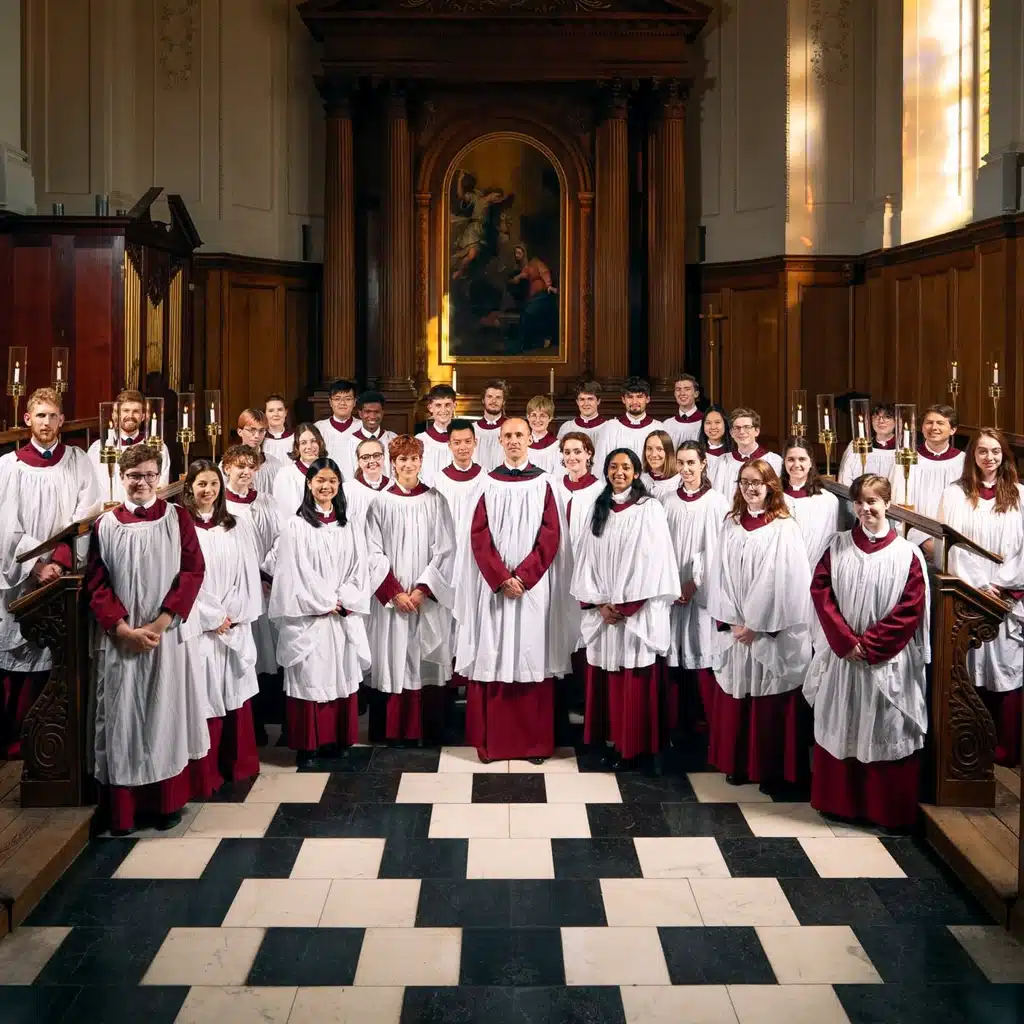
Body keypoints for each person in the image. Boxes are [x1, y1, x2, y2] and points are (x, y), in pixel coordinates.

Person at [85, 444, 207, 834]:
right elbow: (96, 582)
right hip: (122, 640)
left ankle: (165, 804)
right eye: (134, 476)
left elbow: (192, 571)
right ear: (121, 478)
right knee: (122, 720)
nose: (142, 482)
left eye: (149, 475)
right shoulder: (106, 525)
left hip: (164, 636)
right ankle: (124, 811)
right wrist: (121, 628)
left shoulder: (177, 518)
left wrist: (160, 624)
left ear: (159, 477)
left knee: (163, 715)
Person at [805, 474, 930, 829]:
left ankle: (883, 809)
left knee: (883, 726)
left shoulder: (907, 554)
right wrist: (845, 642)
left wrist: (871, 645)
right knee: (842, 721)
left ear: (888, 504)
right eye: (859, 502)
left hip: (885, 662)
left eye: (873, 501)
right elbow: (821, 592)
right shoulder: (838, 545)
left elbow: (911, 608)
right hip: (844, 658)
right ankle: (839, 803)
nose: (866, 509)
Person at [454, 417, 571, 762]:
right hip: (495, 591)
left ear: (530, 439)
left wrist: (524, 577)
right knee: (496, 654)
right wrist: (501, 578)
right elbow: (478, 536)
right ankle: (493, 743)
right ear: (499, 442)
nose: (514, 440)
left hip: (533, 590)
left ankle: (534, 744)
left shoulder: (546, 483)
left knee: (531, 656)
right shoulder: (485, 484)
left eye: (520, 435)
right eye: (508, 436)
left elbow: (551, 536)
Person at [0, 388, 102, 758]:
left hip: (65, 577)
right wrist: (38, 565)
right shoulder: (8, 467)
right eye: (39, 415)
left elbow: (86, 513)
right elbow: (5, 526)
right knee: (19, 655)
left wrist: (60, 559)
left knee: (60, 658)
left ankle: (58, 741)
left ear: (62, 420)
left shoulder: (77, 461)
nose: (46, 422)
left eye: (52, 415)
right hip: (24, 577)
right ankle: (17, 742)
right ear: (27, 420)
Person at [704, 459, 813, 791]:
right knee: (738, 690)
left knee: (769, 695)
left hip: (768, 633)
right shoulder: (731, 524)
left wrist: (759, 626)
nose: (750, 488)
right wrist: (733, 621)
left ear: (771, 486)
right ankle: (737, 762)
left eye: (757, 482)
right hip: (736, 628)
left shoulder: (784, 527)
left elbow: (788, 583)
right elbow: (718, 575)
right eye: (744, 481)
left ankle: (769, 769)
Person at [571, 449, 679, 769]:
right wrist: (599, 604)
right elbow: (586, 560)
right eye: (613, 466)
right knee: (607, 679)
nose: (619, 472)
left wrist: (627, 606)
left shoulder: (650, 509)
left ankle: (635, 746)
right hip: (605, 613)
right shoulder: (599, 507)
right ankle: (611, 741)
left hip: (635, 613)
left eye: (626, 467)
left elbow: (656, 562)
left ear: (636, 473)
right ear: (606, 471)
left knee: (633, 678)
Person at [267, 458, 371, 769]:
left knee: (340, 674)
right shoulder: (294, 527)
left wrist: (344, 599)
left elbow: (360, 569)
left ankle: (338, 739)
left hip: (341, 616)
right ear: (309, 484)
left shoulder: (349, 526)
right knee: (310, 677)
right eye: (320, 481)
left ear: (339, 486)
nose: (325, 487)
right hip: (310, 617)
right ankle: (308, 745)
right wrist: (325, 601)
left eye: (332, 482)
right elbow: (293, 573)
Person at [939, 430, 1024, 765]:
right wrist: (977, 588)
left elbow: (1022, 549)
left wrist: (1001, 586)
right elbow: (952, 545)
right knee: (971, 670)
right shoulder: (955, 495)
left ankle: (1006, 747)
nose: (989, 458)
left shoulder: (1019, 495)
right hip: (970, 598)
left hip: (1007, 598)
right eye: (983, 452)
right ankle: (973, 745)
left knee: (1006, 667)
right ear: (972, 455)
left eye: (996, 452)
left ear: (1004, 456)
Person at [365, 435, 456, 744]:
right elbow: (371, 552)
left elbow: (446, 550)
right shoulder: (380, 503)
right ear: (394, 463)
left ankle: (426, 730)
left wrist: (422, 590)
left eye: (413, 458)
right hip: (394, 602)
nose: (408, 464)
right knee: (393, 658)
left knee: (423, 659)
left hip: (424, 599)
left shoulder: (436, 500)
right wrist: (394, 592)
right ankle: (392, 731)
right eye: (402, 459)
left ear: (421, 461)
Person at [180, 460, 262, 793]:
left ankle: (237, 765)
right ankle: (206, 774)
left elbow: (248, 574)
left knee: (233, 690)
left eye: (213, 483)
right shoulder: (181, 528)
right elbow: (182, 580)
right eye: (201, 484)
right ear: (189, 489)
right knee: (205, 696)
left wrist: (235, 614)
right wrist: (213, 617)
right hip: (201, 626)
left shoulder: (237, 525)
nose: (208, 490)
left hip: (234, 622)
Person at [662, 441, 730, 739]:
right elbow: (659, 546)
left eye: (692, 463)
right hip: (671, 589)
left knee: (701, 652)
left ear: (704, 464)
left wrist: (694, 582)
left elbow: (718, 550)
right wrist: (670, 583)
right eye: (681, 463)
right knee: (673, 656)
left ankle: (706, 725)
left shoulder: (717, 502)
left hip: (701, 592)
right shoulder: (667, 501)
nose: (686, 469)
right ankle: (675, 723)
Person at [222, 444, 281, 744]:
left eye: (251, 466)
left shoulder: (267, 502)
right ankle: (246, 726)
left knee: (265, 653)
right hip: (234, 590)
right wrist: (247, 577)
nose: (245, 472)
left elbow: (281, 541)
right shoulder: (222, 507)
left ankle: (265, 716)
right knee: (243, 655)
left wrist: (264, 573)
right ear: (227, 467)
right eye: (239, 465)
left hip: (265, 587)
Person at [887, 403, 964, 550]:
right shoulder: (906, 460)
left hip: (953, 543)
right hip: (912, 541)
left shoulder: (963, 462)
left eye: (940, 423)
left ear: (953, 429)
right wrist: (921, 541)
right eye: (929, 423)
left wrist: (949, 542)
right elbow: (897, 504)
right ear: (922, 428)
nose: (934, 427)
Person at [86, 389, 170, 503]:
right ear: (115, 415)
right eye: (125, 411)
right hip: (108, 514)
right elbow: (90, 487)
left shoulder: (157, 447)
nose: (130, 416)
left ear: (143, 416)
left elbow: (161, 485)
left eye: (136, 411)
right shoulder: (98, 448)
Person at [782, 437, 840, 568]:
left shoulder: (827, 501)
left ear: (810, 462)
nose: (796, 465)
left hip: (814, 572)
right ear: (784, 462)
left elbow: (828, 543)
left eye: (802, 459)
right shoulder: (774, 498)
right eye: (791, 459)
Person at [714, 407, 783, 502]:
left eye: (747, 427)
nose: (742, 432)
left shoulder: (773, 460)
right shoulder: (723, 461)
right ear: (731, 433)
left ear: (757, 431)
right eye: (737, 428)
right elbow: (716, 497)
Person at [600, 377, 664, 462]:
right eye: (630, 397)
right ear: (623, 399)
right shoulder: (611, 427)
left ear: (647, 399)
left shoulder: (658, 427)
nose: (634, 402)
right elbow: (600, 463)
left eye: (639, 397)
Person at [273, 423, 327, 521]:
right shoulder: (286, 475)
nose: (309, 446)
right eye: (303, 443)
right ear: (297, 447)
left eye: (313, 441)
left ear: (320, 443)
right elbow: (283, 513)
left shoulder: (331, 471)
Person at [339, 390, 396, 480]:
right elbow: (347, 475)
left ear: (382, 413)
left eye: (376, 412)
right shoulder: (350, 441)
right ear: (360, 413)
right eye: (367, 412)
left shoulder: (392, 439)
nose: (372, 416)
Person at [838, 402, 896, 486]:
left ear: (896, 421)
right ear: (871, 420)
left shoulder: (903, 450)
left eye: (887, 417)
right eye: (876, 417)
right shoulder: (856, 446)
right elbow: (845, 478)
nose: (881, 421)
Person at [557, 380, 609, 466]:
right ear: (577, 402)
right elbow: (560, 457)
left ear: (598, 401)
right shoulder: (567, 428)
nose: (586, 403)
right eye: (582, 399)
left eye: (590, 399)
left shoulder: (608, 427)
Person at [343, 437, 392, 526]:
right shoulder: (347, 490)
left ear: (384, 457)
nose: (372, 461)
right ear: (358, 461)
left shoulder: (393, 487)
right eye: (365, 457)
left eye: (377, 455)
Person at [415, 383, 457, 482]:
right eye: (438, 405)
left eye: (447, 405)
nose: (443, 410)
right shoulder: (420, 440)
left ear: (454, 406)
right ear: (430, 408)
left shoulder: (462, 439)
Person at [315, 378, 362, 465]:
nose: (342, 403)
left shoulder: (362, 427)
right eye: (337, 399)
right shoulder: (319, 428)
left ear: (354, 402)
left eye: (348, 399)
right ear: (330, 402)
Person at [234, 408, 279, 495]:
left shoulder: (275, 465)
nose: (257, 436)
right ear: (240, 432)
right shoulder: (229, 464)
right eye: (252, 430)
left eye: (261, 431)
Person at [473, 379, 508, 472]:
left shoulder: (510, 428)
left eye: (498, 397)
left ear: (503, 401)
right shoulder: (472, 429)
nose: (494, 401)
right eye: (489, 397)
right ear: (483, 400)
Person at [663, 374, 704, 450]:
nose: (682, 393)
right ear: (674, 394)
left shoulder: (705, 422)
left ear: (696, 394)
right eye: (678, 389)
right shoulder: (667, 425)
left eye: (687, 389)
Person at [699, 404, 733, 493]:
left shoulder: (734, 453)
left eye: (717, 422)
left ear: (725, 424)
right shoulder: (697, 453)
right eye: (708, 423)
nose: (713, 427)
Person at [526, 394, 561, 473]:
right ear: (528, 417)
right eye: (533, 415)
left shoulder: (557, 446)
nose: (537, 420)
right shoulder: (521, 443)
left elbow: (558, 475)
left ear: (550, 418)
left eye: (542, 415)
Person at [640, 429, 680, 498]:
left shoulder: (679, 482)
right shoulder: (641, 479)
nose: (653, 454)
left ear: (668, 452)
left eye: (659, 449)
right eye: (649, 448)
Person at [263, 394, 294, 465]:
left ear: (286, 412)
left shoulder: (295, 437)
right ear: (265, 414)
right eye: (271, 411)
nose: (276, 414)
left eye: (280, 410)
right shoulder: (260, 439)